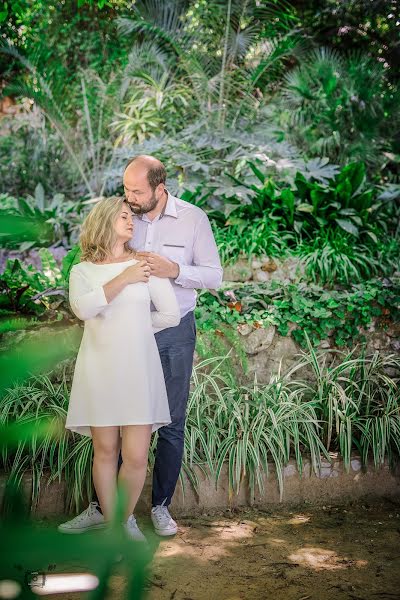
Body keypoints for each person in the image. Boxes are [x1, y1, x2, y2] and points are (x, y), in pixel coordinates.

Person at [59, 155, 223, 537]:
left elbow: (213, 277)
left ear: (159, 189)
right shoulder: (112, 232)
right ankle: (109, 512)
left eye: (136, 192)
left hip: (171, 330)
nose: (129, 199)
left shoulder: (193, 219)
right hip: (110, 342)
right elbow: (92, 286)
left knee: (168, 422)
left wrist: (175, 271)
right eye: (126, 191)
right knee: (108, 436)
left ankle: (160, 506)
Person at [62, 196, 180, 541]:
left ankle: (120, 523)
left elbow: (170, 315)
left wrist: (136, 329)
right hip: (99, 371)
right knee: (106, 451)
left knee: (136, 455)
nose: (131, 221)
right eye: (125, 216)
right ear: (104, 221)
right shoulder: (82, 271)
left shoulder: (144, 265)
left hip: (138, 371)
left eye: (132, 216)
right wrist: (125, 278)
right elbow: (84, 309)